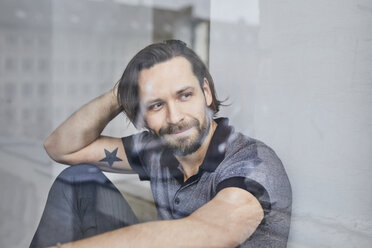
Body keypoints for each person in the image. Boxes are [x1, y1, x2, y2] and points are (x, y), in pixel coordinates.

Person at [30, 40, 292, 248]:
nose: (175, 117)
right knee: (78, 179)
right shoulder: (158, 151)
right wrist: (123, 92)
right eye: (156, 104)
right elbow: (61, 148)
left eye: (185, 95)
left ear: (206, 93)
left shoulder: (252, 161)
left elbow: (208, 234)